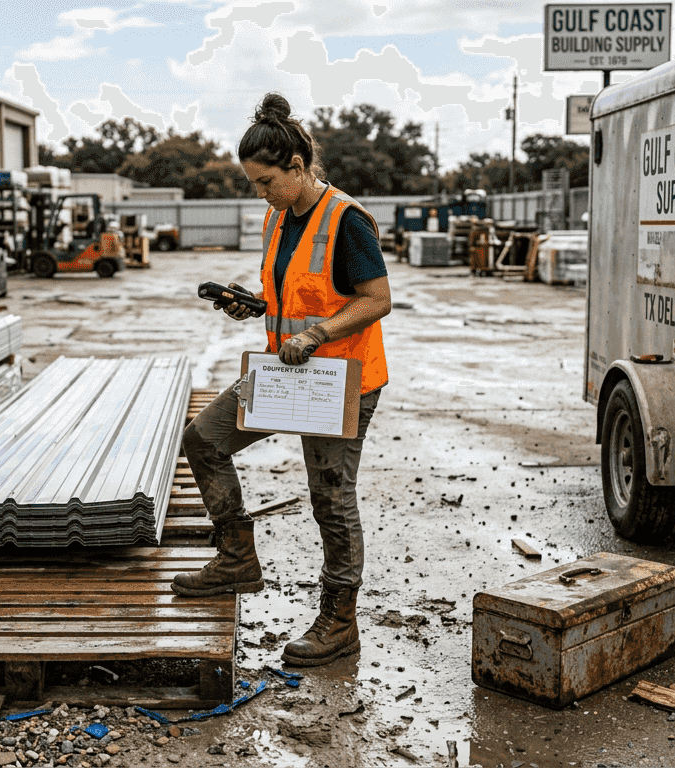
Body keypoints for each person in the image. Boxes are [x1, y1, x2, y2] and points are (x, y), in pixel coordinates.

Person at [171, 92, 392, 667]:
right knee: (203, 440)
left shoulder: (346, 220)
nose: (260, 193)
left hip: (340, 380)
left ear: (297, 166)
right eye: (254, 183)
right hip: (286, 372)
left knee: (331, 496)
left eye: (266, 181)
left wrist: (316, 335)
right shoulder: (278, 216)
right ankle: (236, 559)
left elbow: (377, 300)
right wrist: (253, 303)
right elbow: (291, 293)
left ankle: (340, 620)